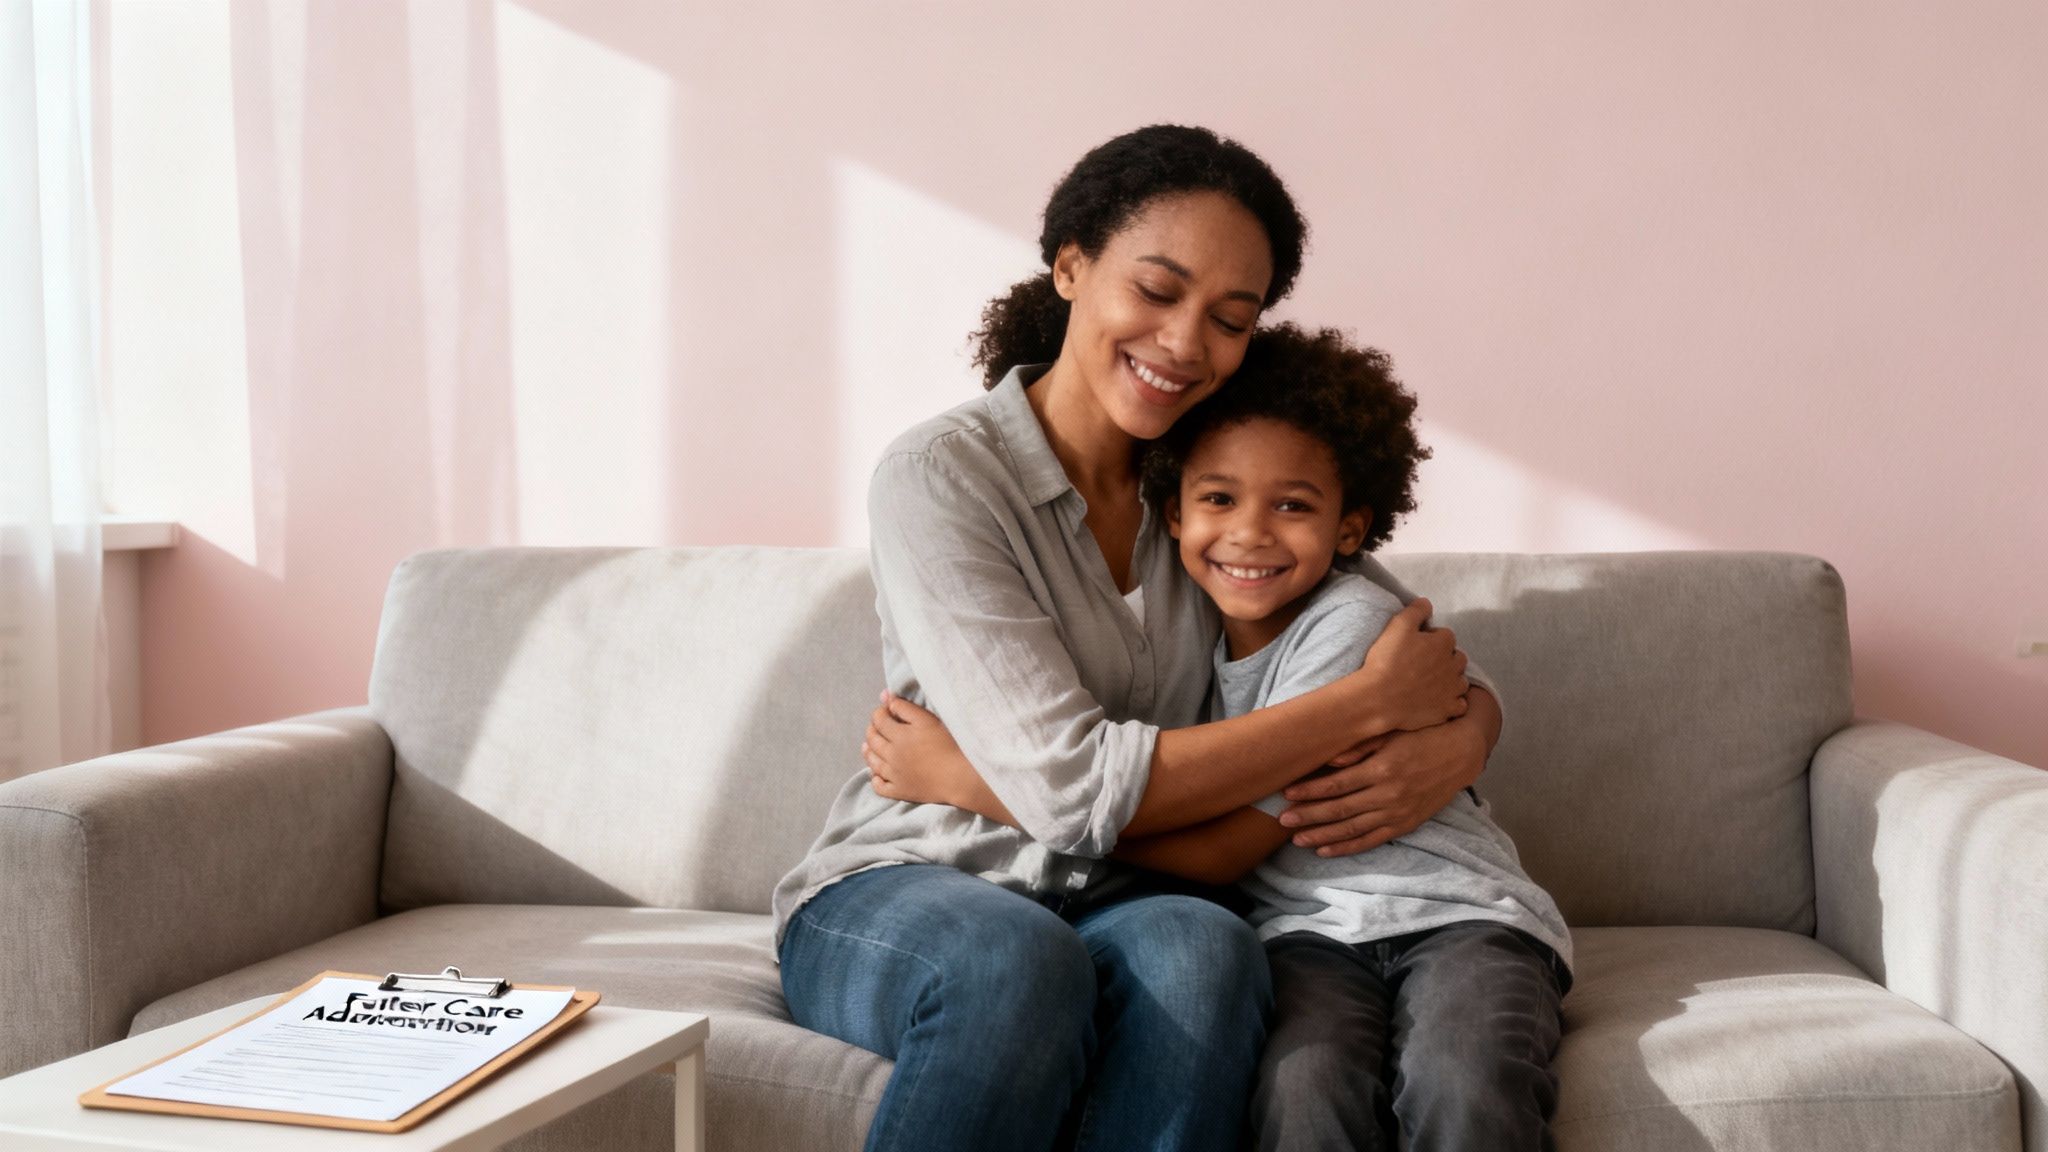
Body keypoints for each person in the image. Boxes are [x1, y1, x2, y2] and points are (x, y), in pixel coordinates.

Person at [773, 125, 1502, 1152]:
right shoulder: (941, 477)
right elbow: (1070, 787)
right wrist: (1364, 709)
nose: (1183, 342)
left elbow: (1399, 640)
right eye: (1155, 291)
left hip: (1129, 892)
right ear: (1070, 265)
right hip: (919, 885)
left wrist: (1471, 728)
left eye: (1228, 318)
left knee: (1206, 949)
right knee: (1013, 962)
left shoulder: (1208, 493)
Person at [873, 324, 1571, 1151]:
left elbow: (1420, 667)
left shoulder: (1335, 616)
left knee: (1458, 1079)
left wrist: (960, 776)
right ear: (1176, 511)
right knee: (1301, 1091)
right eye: (1219, 500)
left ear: (1349, 527)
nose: (1249, 534)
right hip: (1306, 935)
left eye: (1291, 505)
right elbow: (1095, 780)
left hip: (1455, 914)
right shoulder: (1181, 598)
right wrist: (1415, 711)